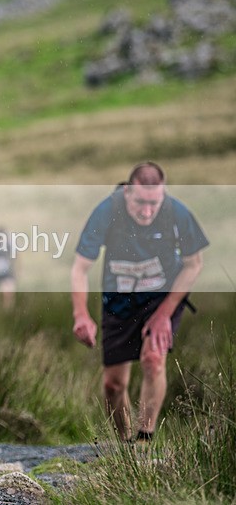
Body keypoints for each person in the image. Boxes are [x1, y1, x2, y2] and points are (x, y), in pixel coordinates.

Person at [71, 162, 208, 442]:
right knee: (113, 384)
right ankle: (125, 446)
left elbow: (194, 265)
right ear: (127, 193)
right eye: (140, 203)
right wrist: (81, 315)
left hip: (162, 298)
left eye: (153, 203)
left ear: (163, 195)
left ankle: (145, 441)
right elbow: (80, 268)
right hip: (119, 300)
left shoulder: (176, 212)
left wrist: (164, 315)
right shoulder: (107, 211)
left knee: (153, 359)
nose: (147, 212)